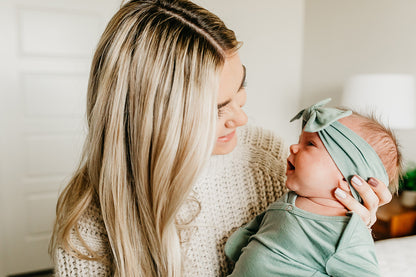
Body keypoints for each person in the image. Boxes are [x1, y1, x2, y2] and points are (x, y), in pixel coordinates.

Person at [49, 1, 392, 276]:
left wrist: (349, 220)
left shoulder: (266, 156)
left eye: (241, 87)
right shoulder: (87, 225)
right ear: (152, 120)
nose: (242, 119)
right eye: (217, 109)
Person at [225, 99, 402, 277]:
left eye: (310, 144)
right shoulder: (293, 197)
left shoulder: (346, 236)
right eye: (299, 140)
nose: (293, 147)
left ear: (347, 179)